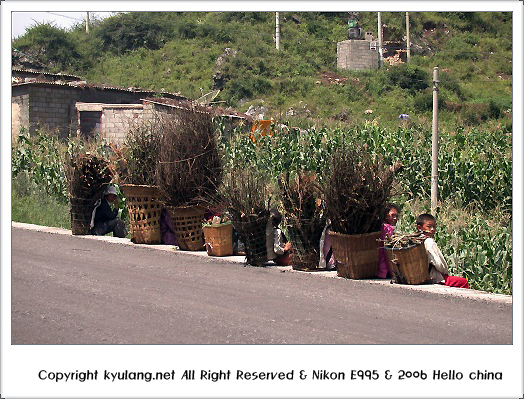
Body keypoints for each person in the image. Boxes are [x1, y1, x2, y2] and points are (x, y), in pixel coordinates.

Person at [416, 213, 470, 288]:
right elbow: (439, 264)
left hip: (419, 275)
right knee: (463, 282)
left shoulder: (415, 240)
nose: (432, 229)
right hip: (432, 277)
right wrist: (445, 272)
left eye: (434, 227)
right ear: (420, 228)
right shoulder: (429, 242)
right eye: (429, 227)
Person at [377, 203, 400, 279]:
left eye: (396, 216)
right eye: (393, 215)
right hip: (382, 258)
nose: (395, 218)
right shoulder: (386, 228)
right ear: (386, 215)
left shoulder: (384, 226)